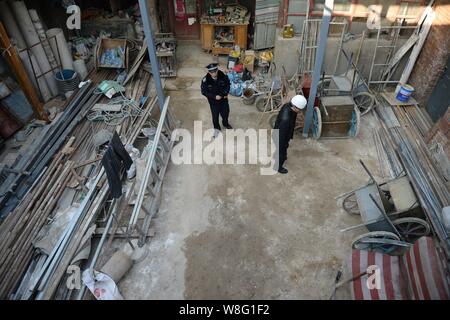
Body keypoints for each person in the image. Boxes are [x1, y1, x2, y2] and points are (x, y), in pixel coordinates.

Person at [274, 95, 307, 174]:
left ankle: (282, 156)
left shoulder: (288, 106)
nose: (300, 111)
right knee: (281, 150)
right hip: (280, 135)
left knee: (283, 148)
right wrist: (283, 144)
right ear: (296, 107)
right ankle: (278, 167)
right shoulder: (286, 119)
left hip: (283, 132)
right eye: (300, 109)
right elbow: (281, 136)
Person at [201, 63, 233, 132]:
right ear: (209, 72)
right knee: (215, 117)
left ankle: (225, 124)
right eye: (212, 72)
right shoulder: (205, 80)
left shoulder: (223, 76)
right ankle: (217, 129)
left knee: (225, 114)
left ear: (217, 70)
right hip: (213, 102)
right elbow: (204, 91)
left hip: (223, 100)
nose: (214, 73)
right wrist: (214, 97)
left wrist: (224, 94)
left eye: (215, 71)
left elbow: (228, 85)